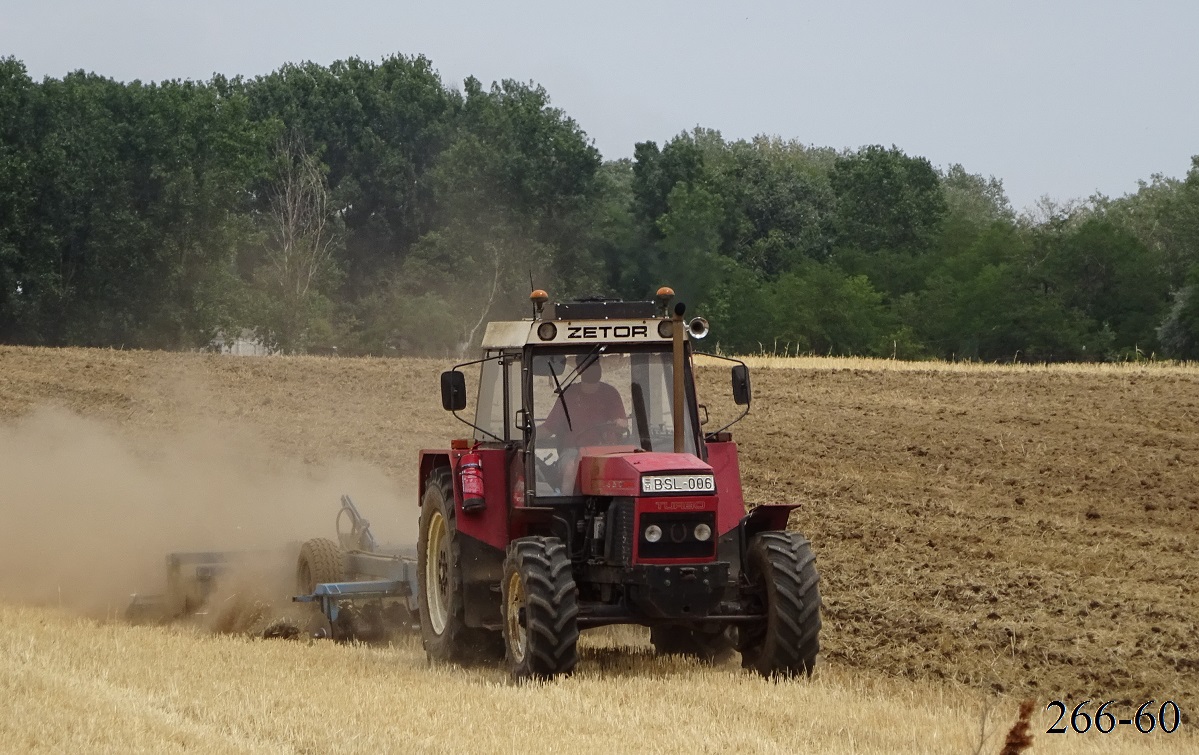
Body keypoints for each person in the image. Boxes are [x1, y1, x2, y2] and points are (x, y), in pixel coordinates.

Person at [538, 354, 629, 493]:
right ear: (579, 369)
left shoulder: (610, 393)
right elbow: (548, 428)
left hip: (606, 451)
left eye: (595, 363)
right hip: (573, 451)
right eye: (588, 365)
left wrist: (618, 424)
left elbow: (623, 424)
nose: (592, 368)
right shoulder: (569, 394)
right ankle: (567, 508)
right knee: (570, 469)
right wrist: (527, 435)